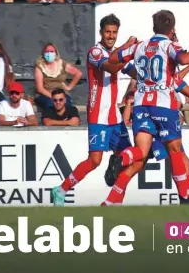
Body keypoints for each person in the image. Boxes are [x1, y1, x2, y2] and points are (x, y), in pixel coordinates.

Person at [105, 10, 189, 204]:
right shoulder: (169, 47)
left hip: (141, 105)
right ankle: (187, 197)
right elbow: (183, 59)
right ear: (172, 29)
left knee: (141, 151)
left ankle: (121, 160)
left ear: (153, 27)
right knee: (175, 151)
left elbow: (113, 59)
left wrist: (127, 46)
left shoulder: (140, 46)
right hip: (163, 104)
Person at [51, 14, 137, 207]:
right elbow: (110, 67)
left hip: (114, 115)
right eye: (108, 32)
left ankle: (115, 201)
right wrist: (127, 48)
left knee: (128, 158)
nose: (111, 36)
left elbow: (132, 71)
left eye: (114, 32)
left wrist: (142, 61)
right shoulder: (95, 52)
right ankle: (61, 189)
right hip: (98, 114)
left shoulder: (117, 52)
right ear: (101, 32)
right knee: (94, 160)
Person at [33, 42, 82, 111]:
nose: (49, 53)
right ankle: (49, 120)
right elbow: (40, 89)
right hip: (45, 94)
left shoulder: (61, 63)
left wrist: (69, 87)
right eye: (47, 51)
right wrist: (54, 98)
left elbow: (78, 73)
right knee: (50, 105)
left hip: (61, 93)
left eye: (51, 51)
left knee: (67, 106)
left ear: (56, 53)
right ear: (43, 53)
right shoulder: (39, 66)